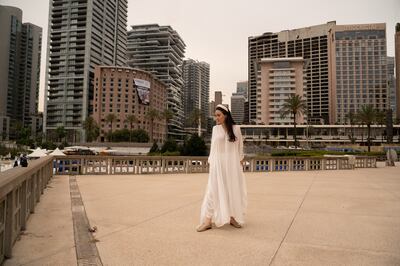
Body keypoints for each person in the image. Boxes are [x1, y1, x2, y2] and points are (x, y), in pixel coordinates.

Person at [196, 104, 247, 232]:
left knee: (232, 190)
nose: (216, 118)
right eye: (215, 116)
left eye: (218, 115)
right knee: (212, 191)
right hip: (217, 165)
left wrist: (240, 161)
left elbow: (240, 147)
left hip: (232, 165)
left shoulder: (236, 129)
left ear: (226, 115)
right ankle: (207, 221)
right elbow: (213, 148)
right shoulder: (215, 129)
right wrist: (210, 162)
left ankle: (232, 217)